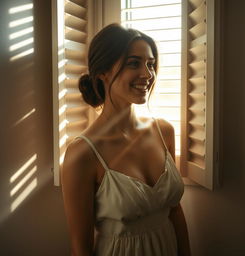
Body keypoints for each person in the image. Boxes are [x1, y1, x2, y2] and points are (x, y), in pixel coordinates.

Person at [61, 23, 191, 256]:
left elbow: (174, 211)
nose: (147, 74)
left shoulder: (165, 132)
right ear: (103, 72)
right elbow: (80, 248)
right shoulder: (83, 154)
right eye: (134, 63)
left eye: (150, 64)